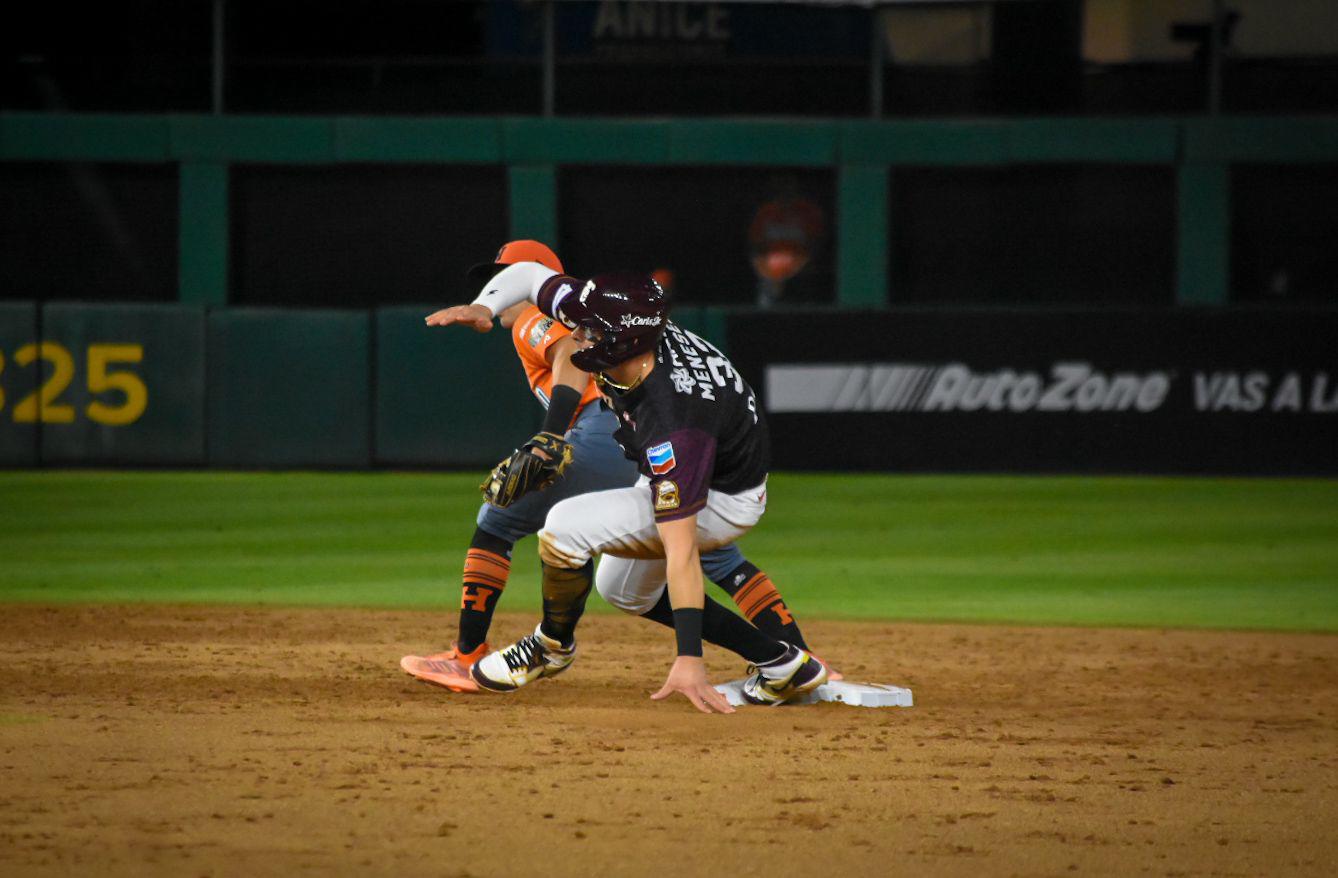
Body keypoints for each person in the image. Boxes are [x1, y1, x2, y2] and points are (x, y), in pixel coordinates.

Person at [401, 241, 822, 695]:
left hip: (724, 498)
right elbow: (527, 277)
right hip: (692, 461)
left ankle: (550, 647)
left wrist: (688, 659)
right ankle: (785, 662)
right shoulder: (617, 318)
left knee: (565, 528)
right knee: (623, 590)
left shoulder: (674, 423)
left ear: (627, 343)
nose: (580, 336)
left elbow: (680, 553)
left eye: (593, 336)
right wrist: (483, 306)